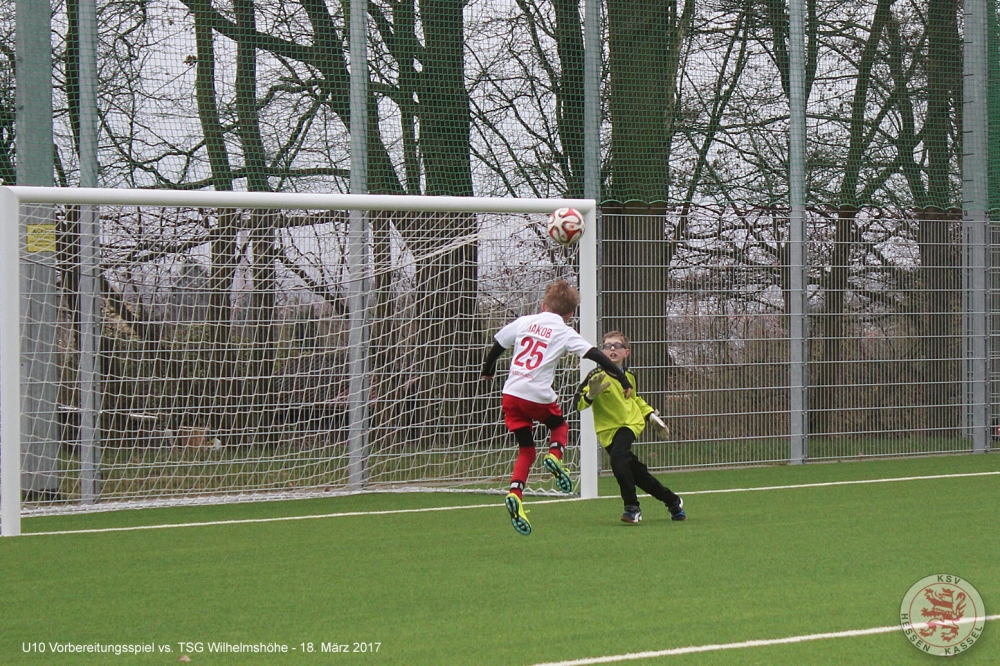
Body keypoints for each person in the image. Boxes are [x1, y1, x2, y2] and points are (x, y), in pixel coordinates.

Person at [481, 279, 632, 536]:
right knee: (560, 426)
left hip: (511, 393)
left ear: (543, 305)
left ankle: (515, 492)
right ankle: (554, 455)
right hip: (537, 394)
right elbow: (596, 355)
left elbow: (498, 346)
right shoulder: (564, 331)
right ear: (570, 314)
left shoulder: (525, 322)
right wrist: (622, 378)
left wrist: (488, 370)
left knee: (526, 449)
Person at [575, 330, 686, 524]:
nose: (612, 349)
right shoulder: (595, 376)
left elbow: (635, 399)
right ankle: (673, 501)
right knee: (636, 473)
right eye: (607, 346)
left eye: (617, 346)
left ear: (627, 352)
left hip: (629, 424)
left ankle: (632, 508)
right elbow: (579, 404)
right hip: (606, 431)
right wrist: (591, 395)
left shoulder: (630, 377)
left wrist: (650, 415)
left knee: (618, 459)